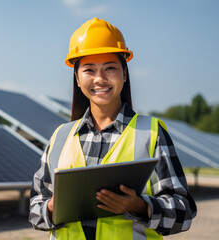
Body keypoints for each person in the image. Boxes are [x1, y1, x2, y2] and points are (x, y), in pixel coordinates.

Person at [29, 18, 197, 240]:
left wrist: (140, 206)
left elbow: (183, 213)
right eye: (89, 70)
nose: (100, 79)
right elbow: (35, 209)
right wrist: (52, 207)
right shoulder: (60, 137)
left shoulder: (152, 133)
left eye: (110, 68)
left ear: (124, 74)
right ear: (77, 78)